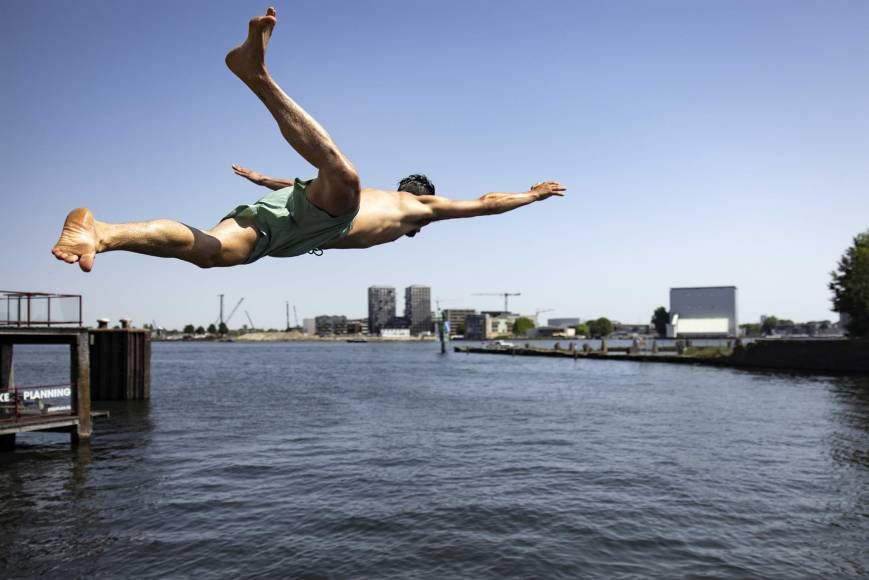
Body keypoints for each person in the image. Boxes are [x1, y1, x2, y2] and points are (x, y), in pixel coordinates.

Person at [52, 7, 566, 272]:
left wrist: (265, 179)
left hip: (294, 232)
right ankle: (256, 75)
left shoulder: (381, 205)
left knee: (210, 252)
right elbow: (485, 204)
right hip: (316, 219)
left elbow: (306, 187)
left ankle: (103, 233)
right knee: (345, 176)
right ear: (422, 193)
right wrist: (533, 195)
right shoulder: (419, 208)